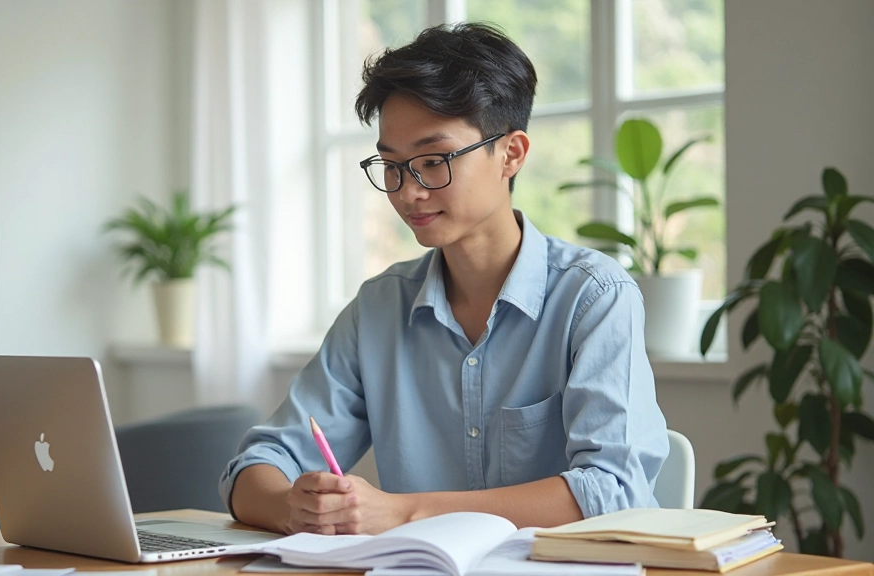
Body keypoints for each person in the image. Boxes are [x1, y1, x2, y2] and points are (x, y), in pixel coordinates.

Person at [219, 22, 668, 536]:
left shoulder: (594, 297)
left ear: (512, 153)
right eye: (391, 165)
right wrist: (291, 507)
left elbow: (613, 490)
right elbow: (258, 463)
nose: (407, 191)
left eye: (433, 161)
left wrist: (403, 512)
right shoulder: (379, 309)